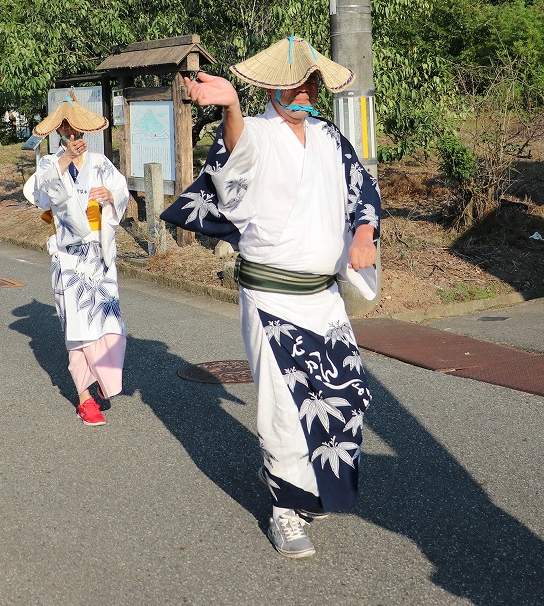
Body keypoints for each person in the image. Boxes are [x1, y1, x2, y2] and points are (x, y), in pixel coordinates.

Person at [162, 36, 381, 560]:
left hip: (323, 296)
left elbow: (361, 190)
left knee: (343, 392)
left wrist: (364, 233)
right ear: (273, 89)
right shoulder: (255, 132)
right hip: (271, 296)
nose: (304, 91)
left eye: (310, 83)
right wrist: (233, 106)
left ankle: (314, 486)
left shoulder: (329, 137)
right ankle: (285, 510)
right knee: (284, 404)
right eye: (294, 84)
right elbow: (233, 159)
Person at [24, 98, 129, 427]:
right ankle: (85, 398)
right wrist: (64, 161)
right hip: (69, 258)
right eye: (65, 128)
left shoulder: (100, 162)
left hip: (100, 251)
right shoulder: (48, 164)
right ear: (59, 132)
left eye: (75, 128)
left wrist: (110, 197)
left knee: (111, 326)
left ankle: (104, 377)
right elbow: (43, 194)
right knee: (79, 328)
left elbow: (121, 191)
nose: (71, 134)